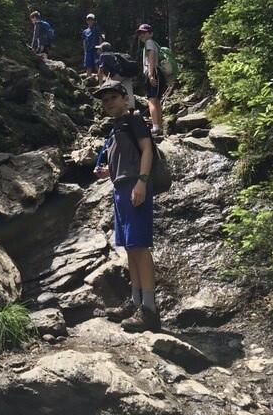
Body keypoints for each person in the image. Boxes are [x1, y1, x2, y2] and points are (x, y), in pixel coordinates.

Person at [93, 80, 160, 333]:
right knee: (130, 248)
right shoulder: (116, 127)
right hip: (120, 187)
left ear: (125, 98)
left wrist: (142, 183)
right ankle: (135, 302)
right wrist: (107, 171)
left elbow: (146, 150)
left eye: (113, 97)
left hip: (134, 185)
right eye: (105, 100)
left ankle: (150, 311)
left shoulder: (133, 119)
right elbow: (127, 157)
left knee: (140, 247)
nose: (109, 103)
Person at [136, 24, 166, 136]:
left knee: (151, 100)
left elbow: (151, 58)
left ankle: (155, 127)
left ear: (150, 33)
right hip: (158, 73)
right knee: (156, 100)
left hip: (154, 73)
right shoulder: (155, 44)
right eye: (140, 33)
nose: (142, 35)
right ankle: (160, 126)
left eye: (144, 32)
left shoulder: (149, 43)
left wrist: (150, 75)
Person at [96, 41, 136, 112]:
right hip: (126, 74)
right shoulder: (115, 55)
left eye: (99, 49)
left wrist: (101, 85)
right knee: (129, 91)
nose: (98, 50)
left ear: (102, 49)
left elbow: (100, 71)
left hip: (117, 76)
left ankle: (115, 109)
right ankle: (131, 109)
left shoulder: (103, 56)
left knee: (112, 90)